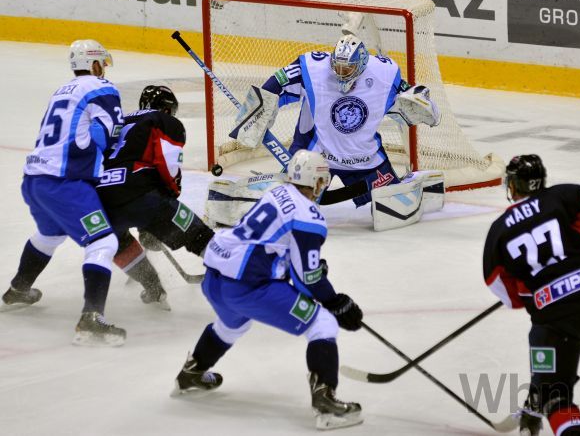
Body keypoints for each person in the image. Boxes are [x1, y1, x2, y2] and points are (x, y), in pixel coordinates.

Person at [171, 150, 364, 430]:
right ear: (317, 182)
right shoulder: (309, 217)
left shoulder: (277, 192)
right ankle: (327, 405)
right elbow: (306, 279)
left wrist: (305, 268)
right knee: (322, 323)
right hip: (247, 286)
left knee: (231, 326)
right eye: (322, 180)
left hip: (214, 278)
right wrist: (335, 301)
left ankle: (192, 373)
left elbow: (272, 246)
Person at [482, 155, 580, 436]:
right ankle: (533, 406)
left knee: (557, 393)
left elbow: (509, 297)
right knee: (554, 353)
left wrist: (535, 287)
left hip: (558, 324)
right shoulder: (565, 196)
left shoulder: (499, 231)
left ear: (514, 186)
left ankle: (542, 398)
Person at [2, 39, 126, 346]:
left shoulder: (62, 91)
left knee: (49, 234)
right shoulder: (102, 88)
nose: (104, 69)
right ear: (96, 64)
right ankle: (91, 318)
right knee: (103, 241)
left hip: (34, 180)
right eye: (103, 64)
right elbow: (107, 134)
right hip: (65, 182)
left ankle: (19, 288)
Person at [230, 34, 441, 207]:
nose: (340, 73)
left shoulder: (383, 74)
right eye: (337, 67)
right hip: (314, 158)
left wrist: (421, 102)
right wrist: (258, 109)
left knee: (395, 203)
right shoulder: (314, 68)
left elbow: (407, 94)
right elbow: (279, 81)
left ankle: (412, 182)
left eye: (346, 69)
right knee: (289, 206)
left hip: (365, 159)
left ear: (361, 65)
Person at [98, 85, 215, 310]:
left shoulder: (118, 121)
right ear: (167, 109)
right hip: (143, 198)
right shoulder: (164, 121)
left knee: (120, 241)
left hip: (103, 202)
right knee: (198, 233)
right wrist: (167, 204)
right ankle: (231, 273)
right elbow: (167, 167)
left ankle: (153, 288)